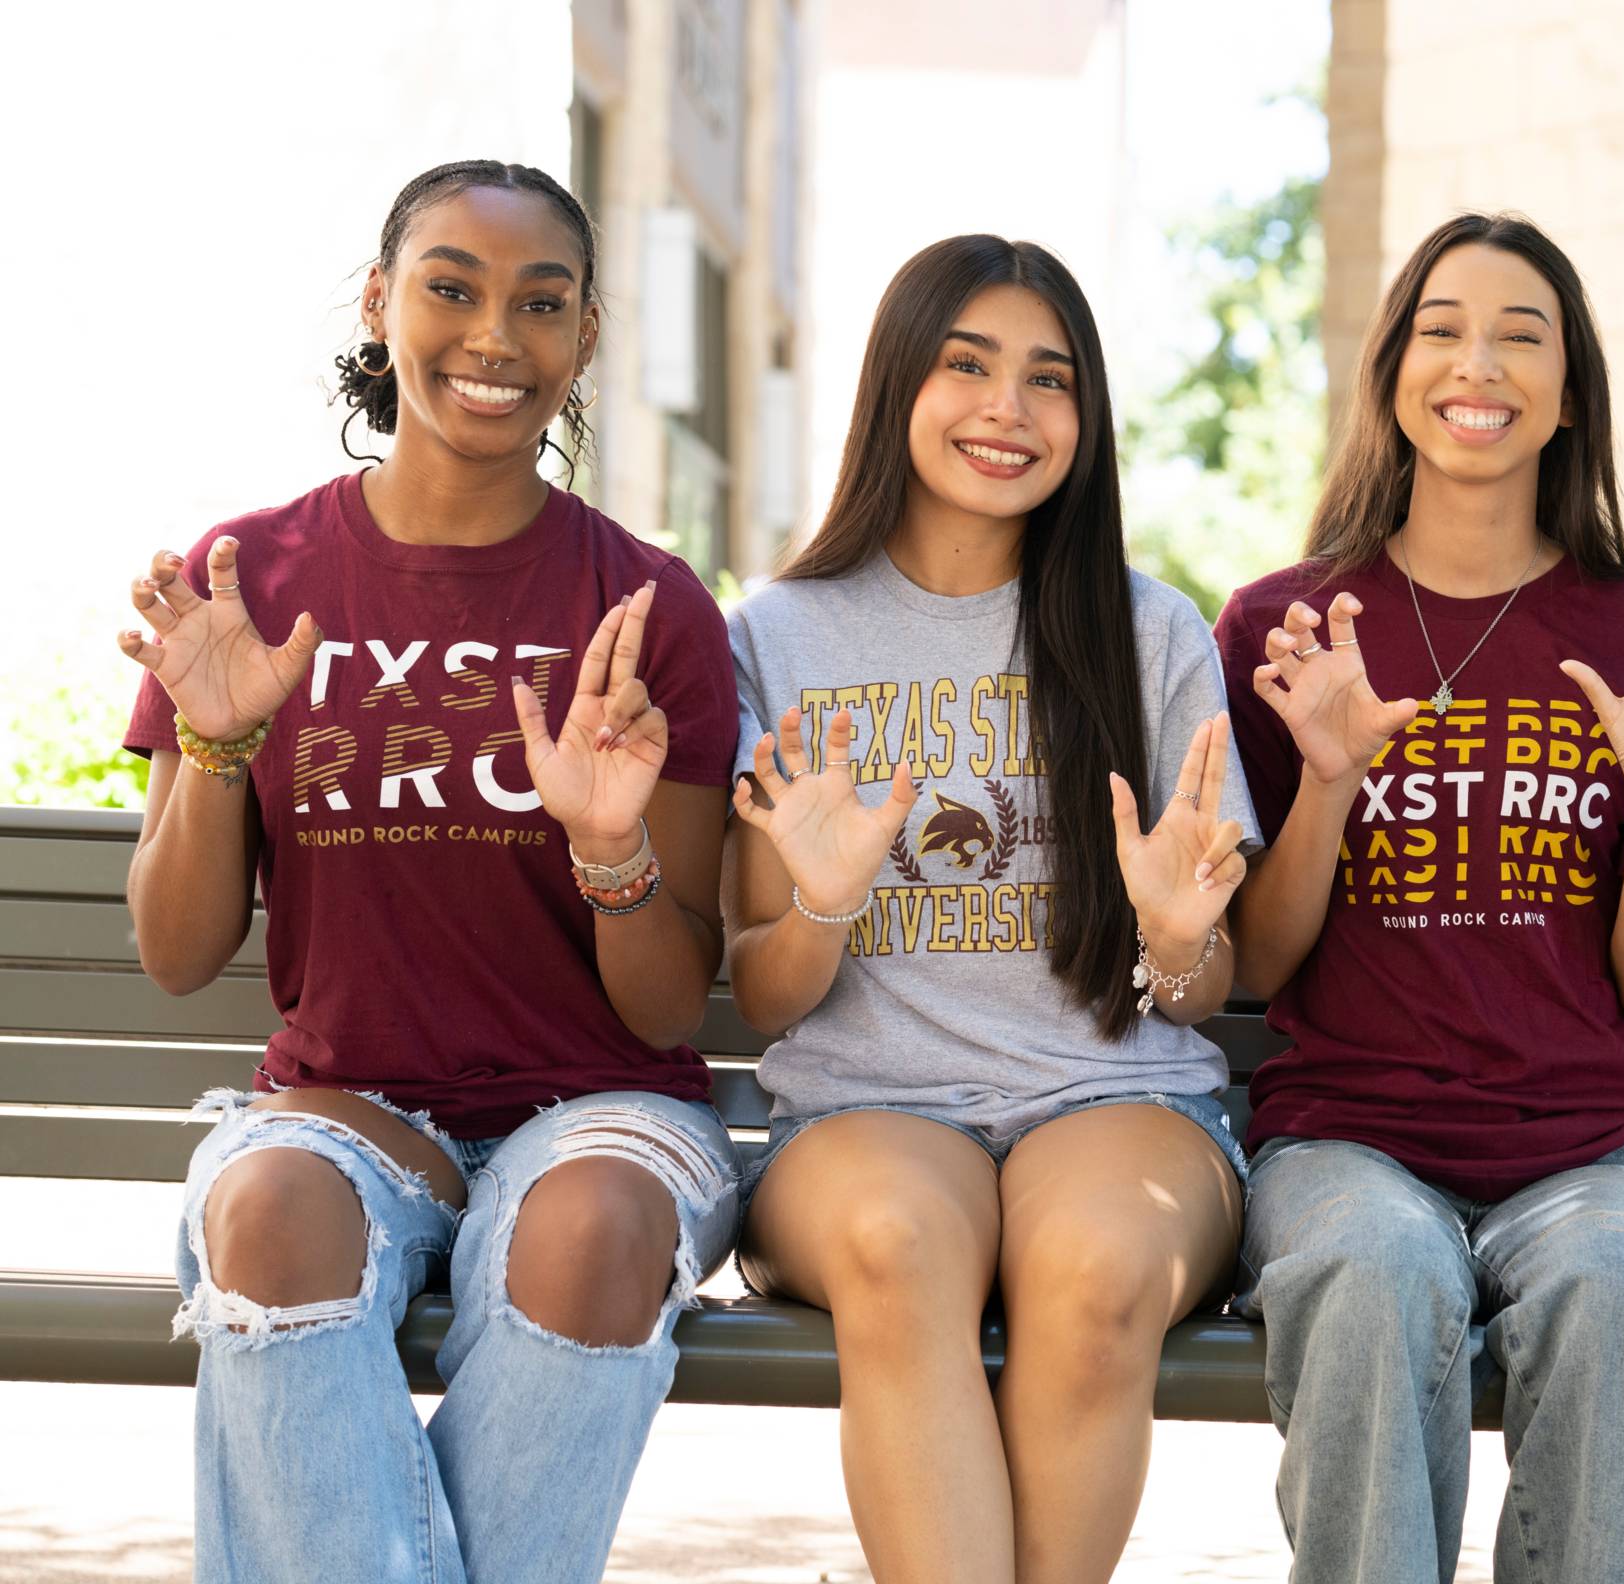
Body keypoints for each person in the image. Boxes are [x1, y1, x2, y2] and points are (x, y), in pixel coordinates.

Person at [118, 159, 741, 1584]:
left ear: (585, 340)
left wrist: (612, 847)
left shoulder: (644, 609)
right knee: (265, 1206)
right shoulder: (249, 576)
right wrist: (220, 750)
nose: (494, 337)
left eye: (543, 302)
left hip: (604, 1114)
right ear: (381, 301)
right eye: (451, 287)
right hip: (349, 1111)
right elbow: (175, 950)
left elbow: (662, 1013)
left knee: (592, 1222)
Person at [1214, 211, 1624, 1584]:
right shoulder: (1285, 628)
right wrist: (1332, 780)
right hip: (1347, 1139)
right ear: (1393, 370)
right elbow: (1254, 964)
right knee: (1374, 1277)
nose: (1481, 365)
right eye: (1444, 329)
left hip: (1581, 1151)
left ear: (1570, 391)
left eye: (1524, 337)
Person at [725, 234, 1260, 1583]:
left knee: (1096, 1275)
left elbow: (1193, 995)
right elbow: (770, 993)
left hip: (1116, 1099)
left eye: (1049, 378)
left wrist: (1178, 942)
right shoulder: (776, 635)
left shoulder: (1152, 637)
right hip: (865, 1113)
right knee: (901, 1250)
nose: (1006, 411)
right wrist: (823, 903)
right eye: (967, 365)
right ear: (898, 381)